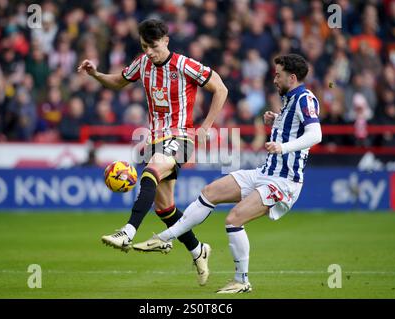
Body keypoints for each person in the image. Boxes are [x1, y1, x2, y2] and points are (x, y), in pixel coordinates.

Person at [133, 54, 322, 293]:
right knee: (209, 192)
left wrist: (283, 146)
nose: (274, 79)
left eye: (278, 74)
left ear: (292, 77)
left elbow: (315, 135)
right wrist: (276, 121)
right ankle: (163, 239)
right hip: (265, 173)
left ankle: (242, 281)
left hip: (284, 182)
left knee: (234, 219)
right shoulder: (289, 99)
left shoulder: (305, 98)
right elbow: (294, 129)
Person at [77, 19, 228, 286]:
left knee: (151, 171)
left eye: (154, 46)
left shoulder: (184, 65)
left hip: (181, 135)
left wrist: (205, 128)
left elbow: (221, 88)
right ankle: (198, 249)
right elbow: (118, 81)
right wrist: (96, 74)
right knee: (165, 208)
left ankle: (128, 231)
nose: (149, 51)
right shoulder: (142, 63)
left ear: (166, 41)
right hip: (155, 138)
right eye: (144, 46)